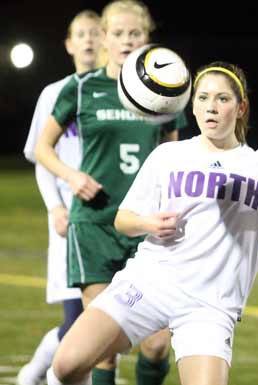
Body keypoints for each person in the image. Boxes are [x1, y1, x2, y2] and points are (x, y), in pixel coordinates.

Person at [42, 60, 258, 385]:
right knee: (66, 365)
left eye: (223, 99)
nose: (211, 107)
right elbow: (124, 220)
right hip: (147, 285)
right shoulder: (168, 156)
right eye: (203, 97)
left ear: (241, 107)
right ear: (191, 105)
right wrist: (148, 224)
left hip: (209, 307)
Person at [34, 2, 187, 385]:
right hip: (94, 226)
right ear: (104, 37)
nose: (125, 40)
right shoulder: (82, 88)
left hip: (145, 226)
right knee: (103, 350)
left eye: (134, 33)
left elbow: (173, 156)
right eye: (117, 33)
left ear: (146, 38)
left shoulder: (164, 89)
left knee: (156, 345)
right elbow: (42, 149)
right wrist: (71, 177)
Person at [19, 10, 104, 385]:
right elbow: (42, 156)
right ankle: (38, 374)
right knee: (80, 325)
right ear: (69, 44)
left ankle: (34, 372)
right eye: (80, 34)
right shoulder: (55, 94)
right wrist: (55, 205)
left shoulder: (121, 95)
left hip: (110, 223)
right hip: (71, 221)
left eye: (95, 33)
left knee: (97, 326)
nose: (88, 40)